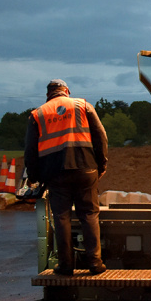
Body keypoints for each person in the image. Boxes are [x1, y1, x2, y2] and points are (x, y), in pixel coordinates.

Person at [25, 79, 109, 276]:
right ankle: (95, 264)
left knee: (61, 217)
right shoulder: (82, 105)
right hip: (86, 169)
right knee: (89, 214)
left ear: (48, 95)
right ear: (67, 91)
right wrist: (101, 165)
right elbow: (101, 136)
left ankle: (66, 265)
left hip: (55, 174)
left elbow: (30, 150)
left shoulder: (37, 114)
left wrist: (34, 177)